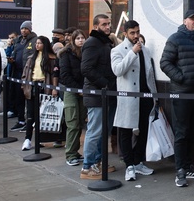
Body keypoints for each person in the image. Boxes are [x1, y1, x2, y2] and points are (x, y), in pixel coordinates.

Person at [160, 9, 194, 187]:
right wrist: (180, 77)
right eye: (192, 19)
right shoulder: (175, 39)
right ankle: (180, 169)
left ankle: (189, 166)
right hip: (181, 92)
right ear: (185, 21)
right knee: (181, 132)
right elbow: (165, 62)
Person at [111, 20, 157, 182]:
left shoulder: (145, 50)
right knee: (125, 131)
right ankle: (129, 165)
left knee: (144, 131)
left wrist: (155, 97)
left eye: (137, 32)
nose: (136, 35)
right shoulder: (117, 50)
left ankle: (138, 161)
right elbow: (117, 70)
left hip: (146, 96)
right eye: (132, 33)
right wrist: (132, 53)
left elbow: (150, 74)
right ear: (125, 34)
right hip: (128, 97)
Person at [80, 14, 117, 180]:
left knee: (104, 132)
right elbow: (86, 68)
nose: (108, 27)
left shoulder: (105, 42)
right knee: (94, 132)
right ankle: (87, 167)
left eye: (109, 24)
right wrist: (105, 84)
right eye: (104, 24)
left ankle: (98, 162)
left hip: (107, 94)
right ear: (96, 26)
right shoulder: (92, 42)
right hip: (96, 94)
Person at [20, 36, 59, 151]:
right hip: (32, 87)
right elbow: (25, 73)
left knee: (43, 114)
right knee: (30, 114)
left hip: (45, 87)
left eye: (40, 43)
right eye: (36, 43)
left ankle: (41, 138)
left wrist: (54, 88)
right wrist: (24, 86)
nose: (37, 45)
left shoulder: (51, 59)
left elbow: (54, 75)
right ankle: (27, 139)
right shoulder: (31, 58)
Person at [60, 29, 87, 166]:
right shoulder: (66, 54)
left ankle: (75, 152)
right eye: (78, 38)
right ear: (73, 40)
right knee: (72, 123)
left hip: (84, 91)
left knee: (80, 122)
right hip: (71, 91)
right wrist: (78, 89)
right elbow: (65, 75)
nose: (81, 40)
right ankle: (70, 154)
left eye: (82, 38)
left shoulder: (87, 53)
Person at [9, 21, 37, 132]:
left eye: (26, 28)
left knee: (29, 98)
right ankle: (21, 120)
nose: (23, 30)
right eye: (22, 28)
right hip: (17, 72)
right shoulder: (18, 41)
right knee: (18, 97)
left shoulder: (34, 40)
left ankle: (30, 122)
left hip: (28, 74)